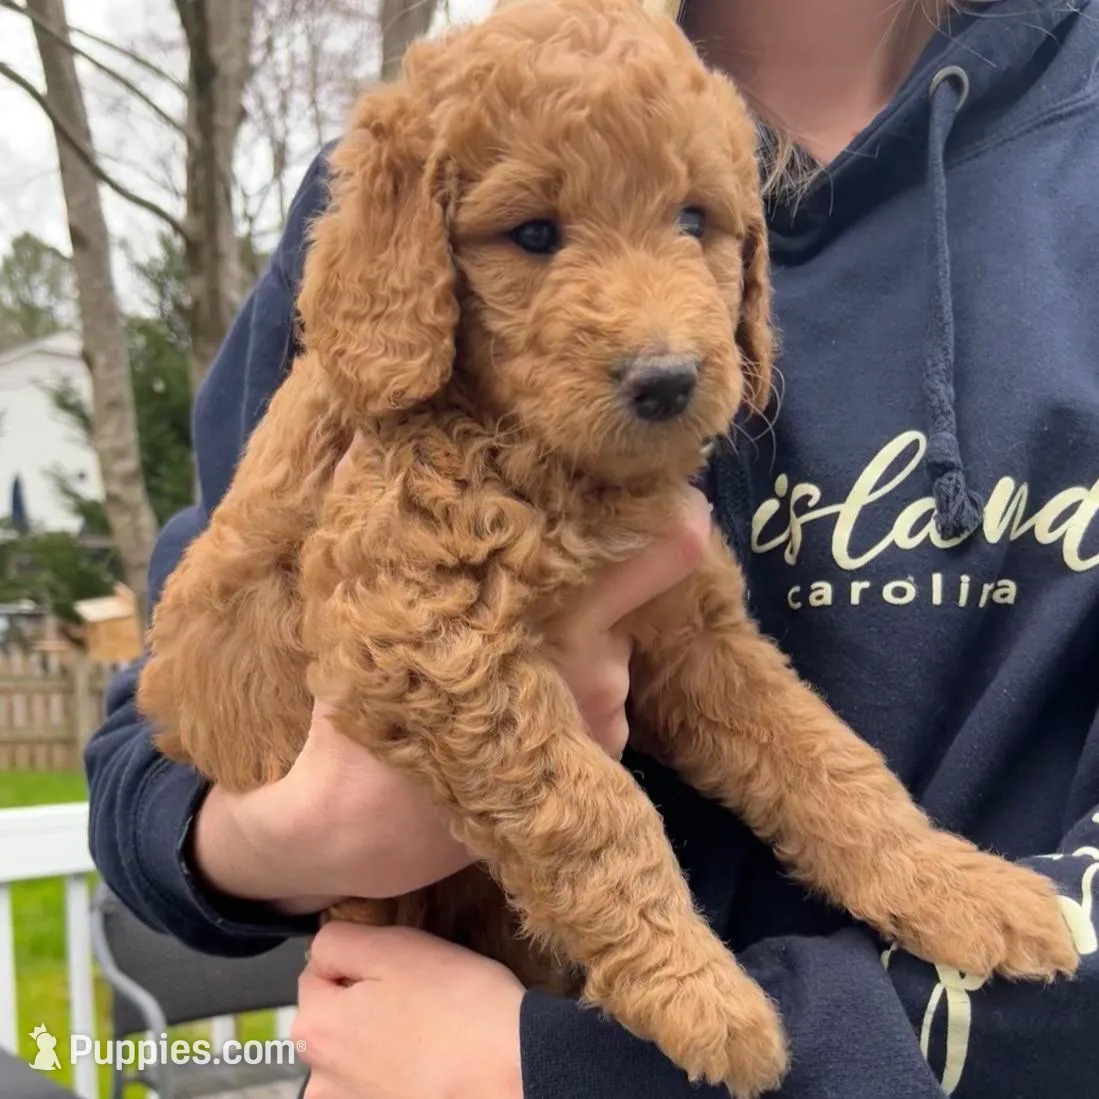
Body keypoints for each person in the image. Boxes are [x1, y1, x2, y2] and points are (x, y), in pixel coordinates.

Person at [84, 0, 1099, 1095]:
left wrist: (579, 1067)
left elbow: (718, 676)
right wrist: (288, 841)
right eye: (532, 236)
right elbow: (147, 767)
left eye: (694, 225)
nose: (657, 332)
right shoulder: (437, 137)